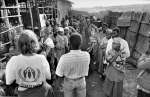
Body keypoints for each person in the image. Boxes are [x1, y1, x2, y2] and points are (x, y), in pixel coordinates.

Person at [5, 30, 54, 97]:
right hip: (41, 92)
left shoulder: (13, 60)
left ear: (19, 44)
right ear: (35, 43)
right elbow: (48, 76)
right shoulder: (41, 58)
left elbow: (9, 81)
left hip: (23, 92)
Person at [103, 27, 130, 97]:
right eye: (112, 33)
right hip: (111, 67)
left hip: (118, 68)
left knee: (116, 84)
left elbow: (127, 54)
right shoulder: (110, 41)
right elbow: (107, 53)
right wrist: (110, 58)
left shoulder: (124, 42)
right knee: (110, 82)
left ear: (118, 33)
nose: (113, 34)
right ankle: (109, 94)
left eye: (114, 33)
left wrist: (118, 56)